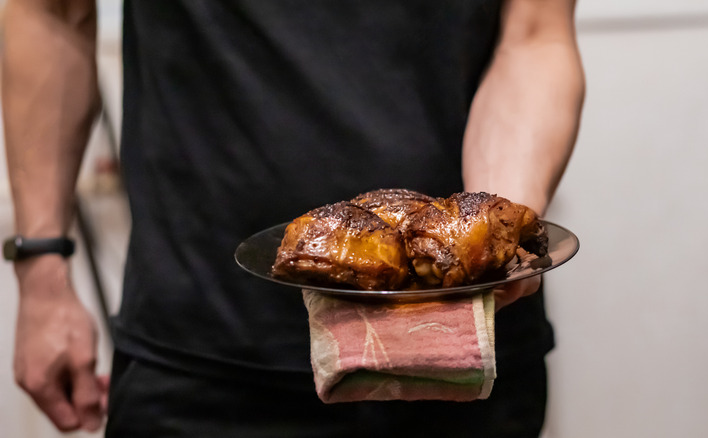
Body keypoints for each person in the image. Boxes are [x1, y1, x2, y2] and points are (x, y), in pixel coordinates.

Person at [3, 0, 584, 437]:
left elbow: (533, 37)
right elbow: (48, 12)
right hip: (201, 353)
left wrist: (486, 248)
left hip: (457, 358)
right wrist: (41, 266)